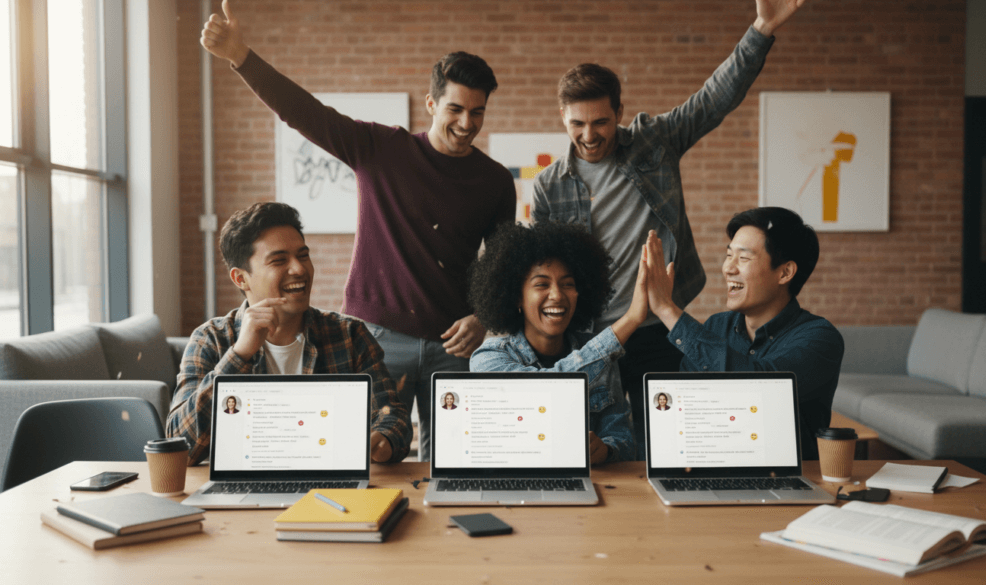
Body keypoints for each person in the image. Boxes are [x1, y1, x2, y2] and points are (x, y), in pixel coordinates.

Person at [200, 0, 516, 460]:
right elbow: (304, 112)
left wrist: (483, 319)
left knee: (454, 463)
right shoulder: (380, 148)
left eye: (478, 112)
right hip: (376, 339)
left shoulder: (495, 181)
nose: (467, 123)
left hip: (456, 344)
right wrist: (241, 56)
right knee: (366, 457)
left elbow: (503, 265)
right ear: (431, 103)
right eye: (455, 109)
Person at [531, 0, 806, 458]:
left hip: (657, 326)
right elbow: (543, 269)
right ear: (563, 117)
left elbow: (713, 99)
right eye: (577, 123)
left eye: (601, 121)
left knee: (662, 443)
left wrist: (761, 29)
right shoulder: (548, 187)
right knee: (585, 446)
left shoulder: (654, 142)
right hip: (588, 334)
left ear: (619, 111)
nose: (590, 134)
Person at [166, 202, 412, 466]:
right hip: (244, 486)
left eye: (303, 255)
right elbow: (181, 447)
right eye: (279, 260)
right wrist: (239, 355)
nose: (299, 269)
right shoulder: (210, 339)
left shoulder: (349, 334)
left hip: (330, 488)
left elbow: (391, 416)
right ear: (241, 279)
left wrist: (383, 441)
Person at [644, 207, 843, 460]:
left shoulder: (820, 338)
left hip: (788, 477)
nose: (728, 268)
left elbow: (760, 387)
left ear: (785, 272)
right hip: (710, 466)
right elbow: (685, 405)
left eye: (744, 258)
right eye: (729, 255)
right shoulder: (717, 327)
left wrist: (666, 309)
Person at [468, 222, 648, 464]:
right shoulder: (487, 359)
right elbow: (547, 389)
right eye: (542, 284)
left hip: (589, 485)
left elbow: (625, 442)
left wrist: (604, 449)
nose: (557, 295)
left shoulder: (601, 357)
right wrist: (630, 320)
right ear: (516, 297)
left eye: (568, 284)